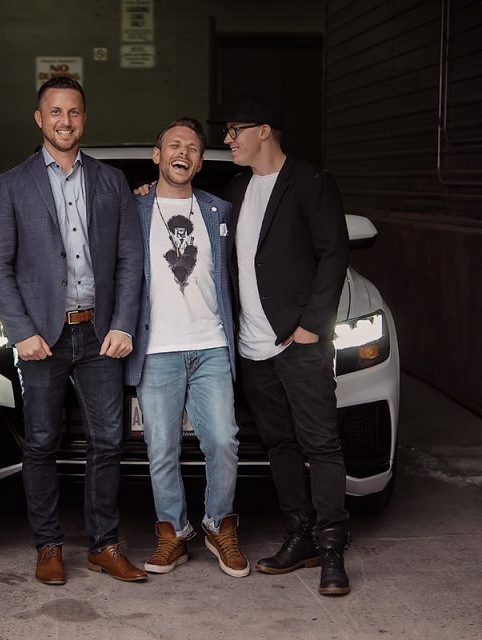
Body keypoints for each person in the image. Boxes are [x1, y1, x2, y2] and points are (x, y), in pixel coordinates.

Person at [0, 77, 145, 585]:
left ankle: (104, 545)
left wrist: (122, 322)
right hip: (42, 337)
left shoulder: (111, 181)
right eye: (55, 112)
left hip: (99, 333)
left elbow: (130, 258)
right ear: (39, 118)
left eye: (73, 112)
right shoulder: (13, 184)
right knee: (40, 443)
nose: (65, 121)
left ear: (84, 118)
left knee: (108, 441)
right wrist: (20, 331)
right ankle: (48, 546)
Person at [219, 96, 352, 596]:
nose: (228, 139)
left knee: (321, 444)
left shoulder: (312, 182)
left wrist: (312, 326)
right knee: (279, 445)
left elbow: (334, 253)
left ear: (264, 131)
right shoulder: (235, 188)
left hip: (297, 342)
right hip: (252, 346)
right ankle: (300, 537)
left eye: (234, 130)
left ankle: (333, 546)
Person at [124, 118, 249, 578]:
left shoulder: (219, 210)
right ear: (157, 156)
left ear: (199, 162)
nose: (183, 153)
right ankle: (173, 533)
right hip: (157, 347)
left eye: (193, 148)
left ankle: (219, 525)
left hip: (211, 343)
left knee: (223, 439)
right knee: (161, 447)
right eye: (174, 145)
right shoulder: (133, 208)